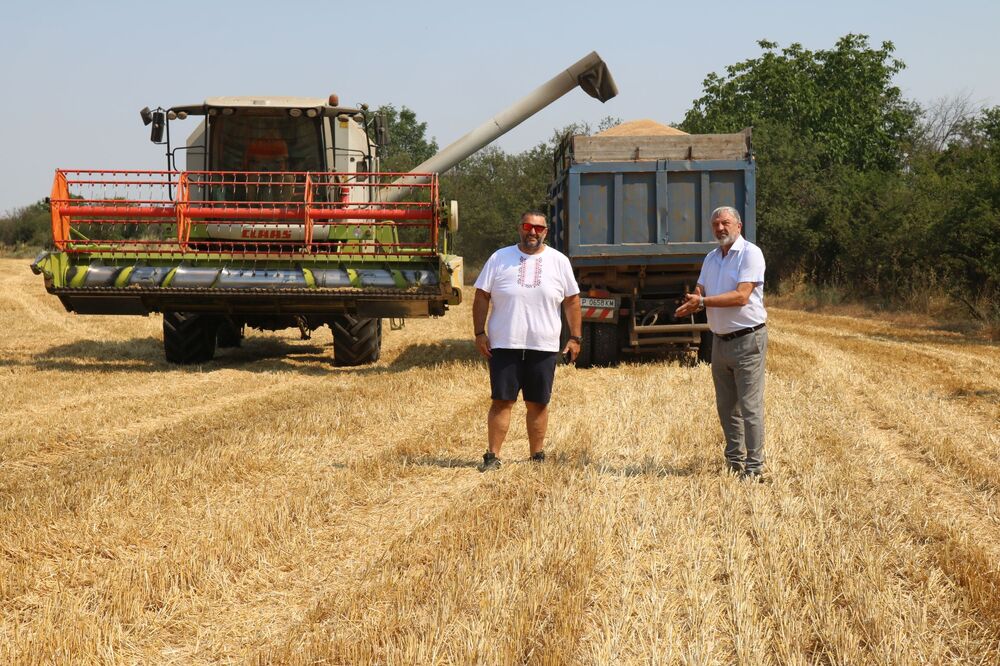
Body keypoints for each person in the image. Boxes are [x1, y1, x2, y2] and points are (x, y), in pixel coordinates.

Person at [472, 211, 582, 472]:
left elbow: (572, 300)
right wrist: (479, 333)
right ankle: (492, 456)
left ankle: (537, 456)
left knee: (538, 402)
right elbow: (481, 296)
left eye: (538, 228)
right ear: (519, 228)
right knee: (502, 401)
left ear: (546, 232)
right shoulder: (499, 258)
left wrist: (575, 337)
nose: (532, 232)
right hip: (504, 343)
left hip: (543, 345)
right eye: (527, 226)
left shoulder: (559, 261)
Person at [675, 205, 768, 482]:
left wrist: (701, 302)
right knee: (726, 406)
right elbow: (702, 287)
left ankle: (754, 467)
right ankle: (734, 461)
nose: (720, 228)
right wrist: (694, 299)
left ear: (739, 226)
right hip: (720, 340)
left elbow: (741, 296)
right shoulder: (712, 257)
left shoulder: (751, 254)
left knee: (749, 407)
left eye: (725, 223)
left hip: (748, 339)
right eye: (715, 224)